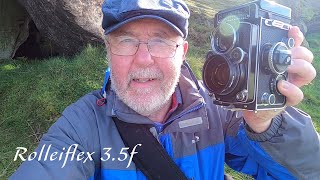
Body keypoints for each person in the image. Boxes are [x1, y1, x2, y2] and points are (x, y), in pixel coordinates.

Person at [10, 0, 319, 179]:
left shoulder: (219, 112)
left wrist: (267, 123)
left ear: (182, 51)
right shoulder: (80, 128)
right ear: (108, 50)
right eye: (126, 40)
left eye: (160, 39)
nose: (143, 59)